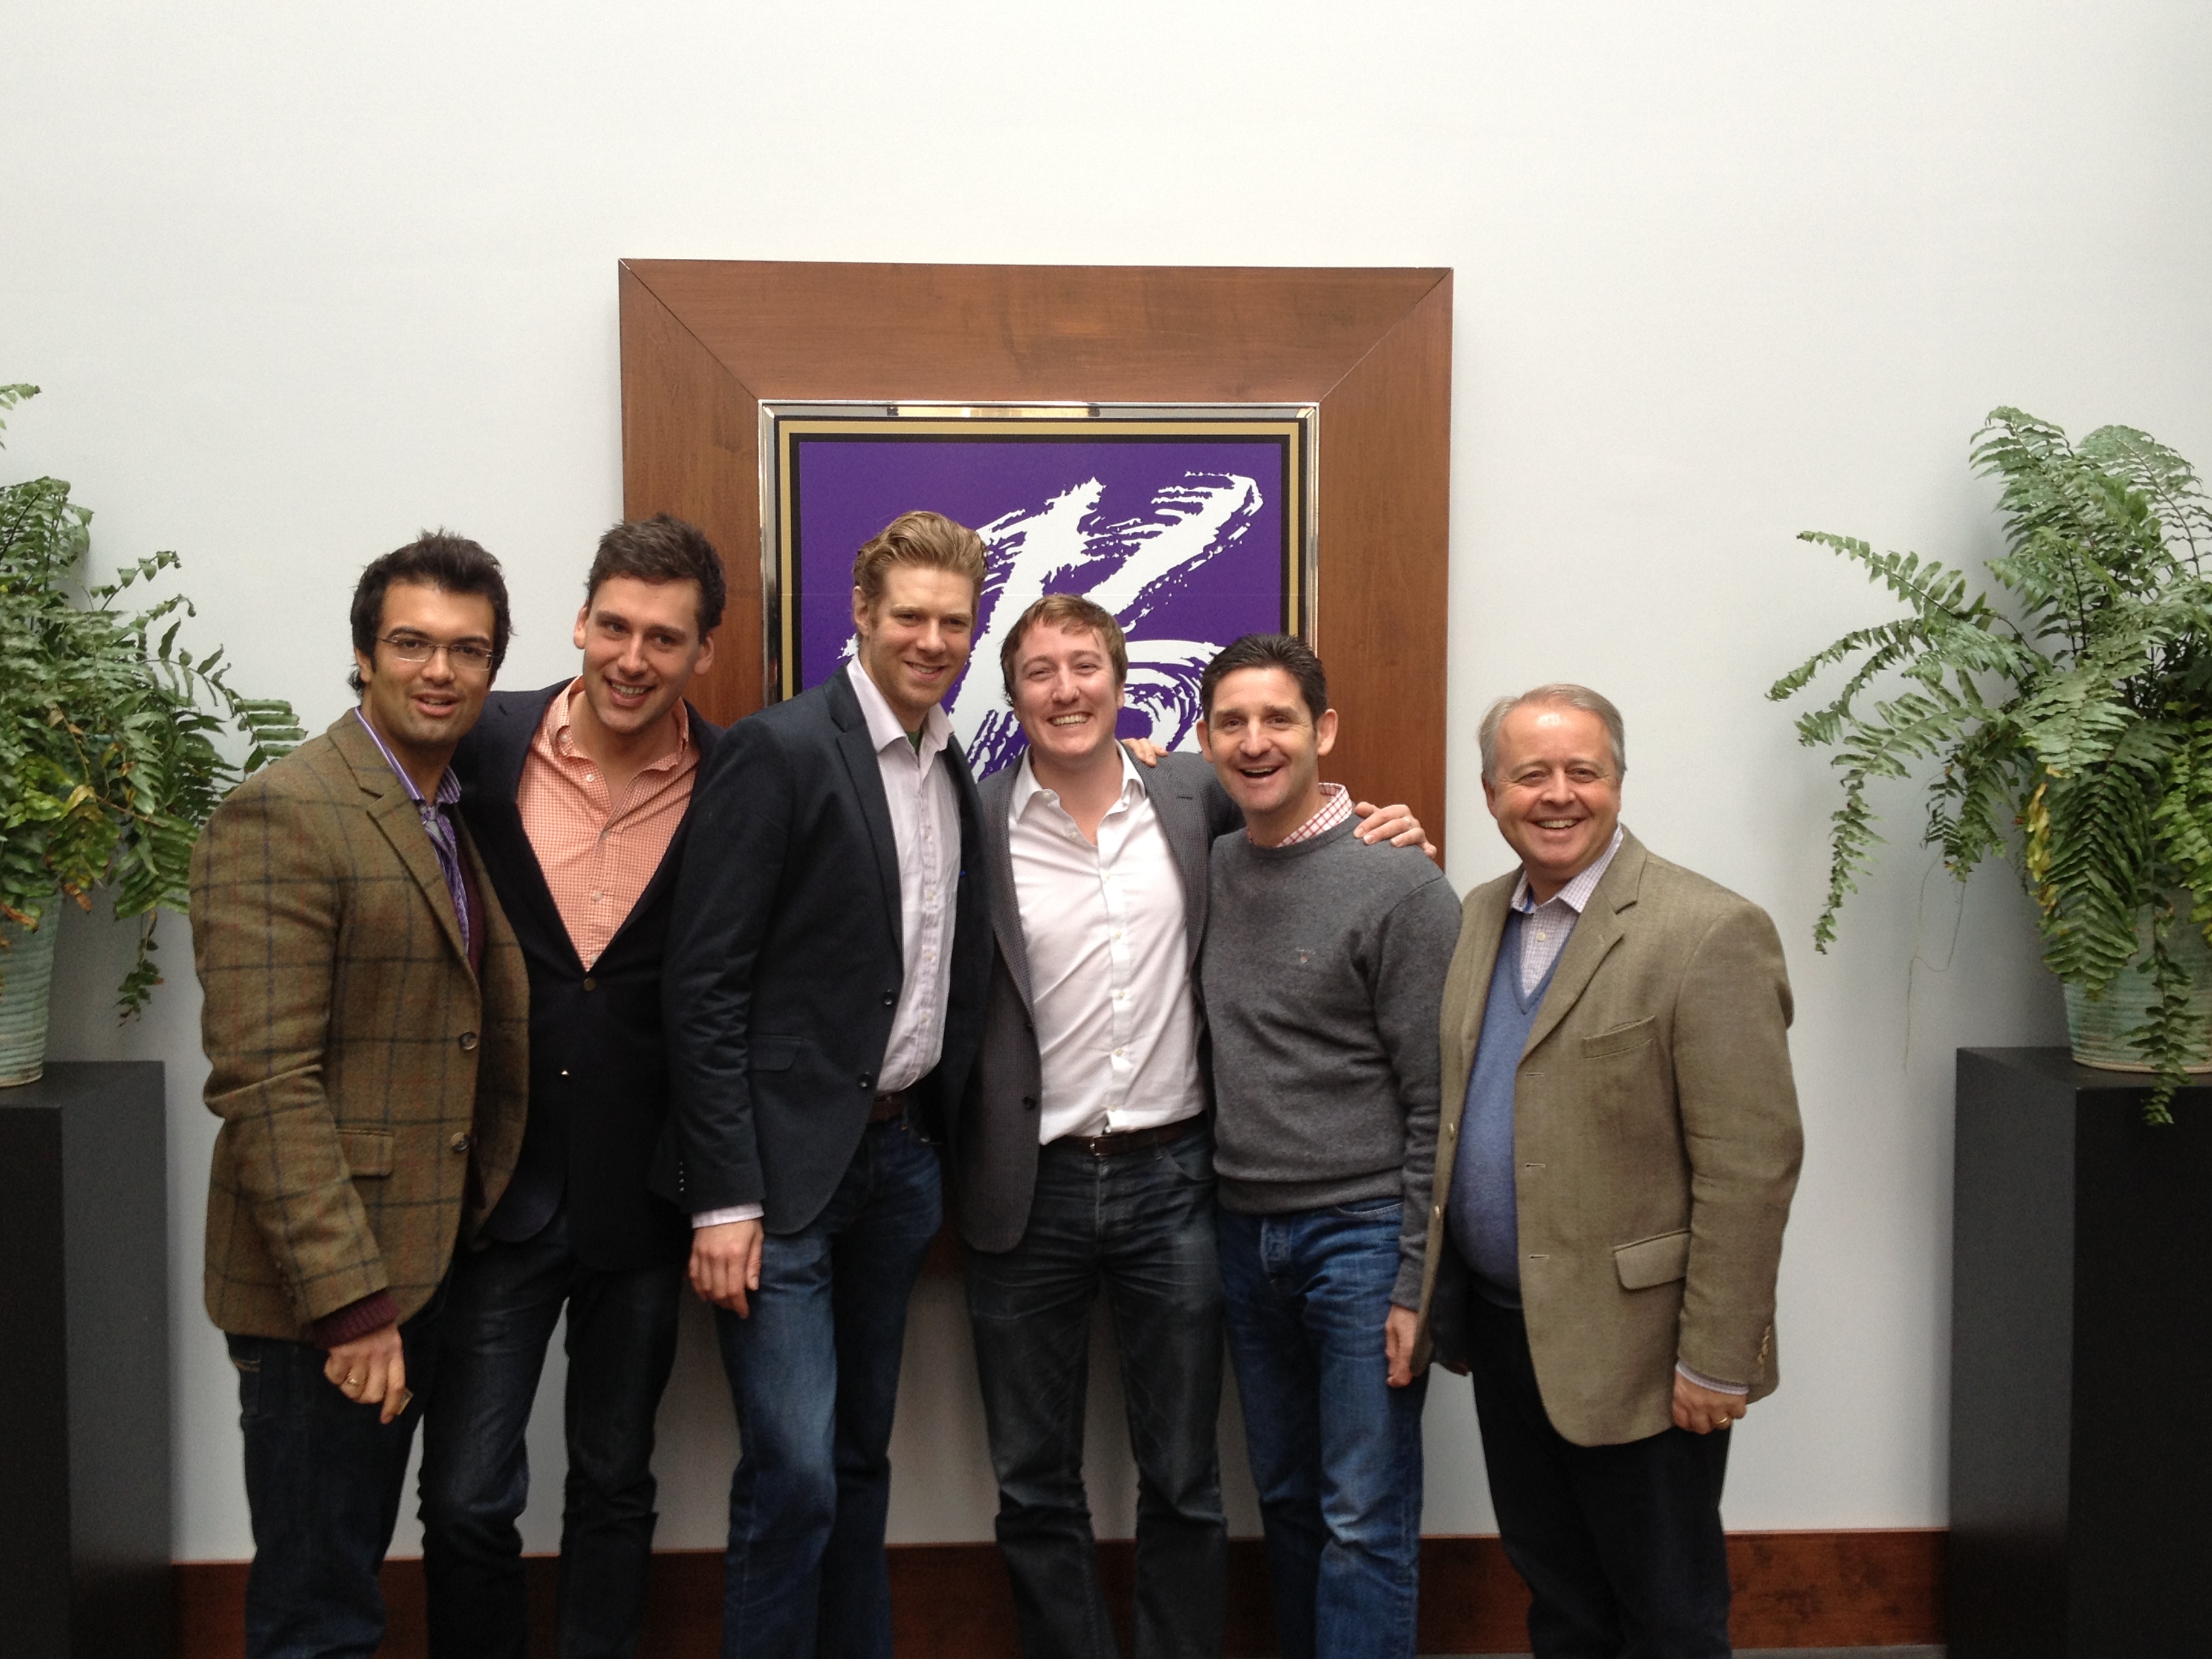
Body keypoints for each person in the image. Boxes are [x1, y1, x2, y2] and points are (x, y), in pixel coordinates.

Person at [957, 598, 1429, 1659]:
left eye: (1086, 665)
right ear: (1012, 691)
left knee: (1183, 1477)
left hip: (1177, 1179)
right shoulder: (971, 823)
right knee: (1033, 1481)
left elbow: (1302, 834)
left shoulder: (1189, 798)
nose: (1066, 688)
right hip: (1024, 1190)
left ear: (1124, 685)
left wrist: (1380, 826)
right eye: (1040, 671)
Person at [1407, 684, 1804, 1659]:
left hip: (1645, 1350)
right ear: (1492, 791)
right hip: (1508, 1338)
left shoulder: (1706, 931)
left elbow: (1752, 1165)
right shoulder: (1477, 918)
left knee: (1666, 1614)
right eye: (1530, 773)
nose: (1557, 794)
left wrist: (1716, 1356)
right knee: (1562, 1602)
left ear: (1618, 782)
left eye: (1581, 771)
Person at [190, 532, 528, 1659]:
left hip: (431, 1261)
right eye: (413, 644)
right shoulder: (285, 813)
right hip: (326, 1302)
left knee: (353, 1586)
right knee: (320, 1612)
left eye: (467, 650)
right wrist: (351, 1307)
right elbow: (266, 1086)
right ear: (362, 654)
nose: (441, 670)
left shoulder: (448, 811)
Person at [663, 509, 994, 1659]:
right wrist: (723, 1198)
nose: (933, 638)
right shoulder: (781, 748)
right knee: (795, 1470)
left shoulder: (954, 767)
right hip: (780, 1176)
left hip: (899, 1167)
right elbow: (702, 986)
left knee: (858, 1458)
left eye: (955, 619)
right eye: (910, 615)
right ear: (861, 615)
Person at [419, 514, 726, 1659]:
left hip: (643, 1195)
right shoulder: (483, 742)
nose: (634, 658)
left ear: (702, 653)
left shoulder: (732, 774)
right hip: (497, 1185)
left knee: (613, 1480)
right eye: (615, 626)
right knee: (464, 1497)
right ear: (581, 621)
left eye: (665, 637)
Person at [1194, 634, 1462, 1659]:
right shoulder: (1216, 863)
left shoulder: (1399, 885)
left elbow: (1438, 1103)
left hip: (1361, 1241)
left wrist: (1413, 1282)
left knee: (1365, 1516)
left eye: (1280, 720)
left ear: (1326, 731)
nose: (1256, 742)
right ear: (1207, 737)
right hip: (1244, 1234)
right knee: (1291, 1501)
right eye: (1232, 722)